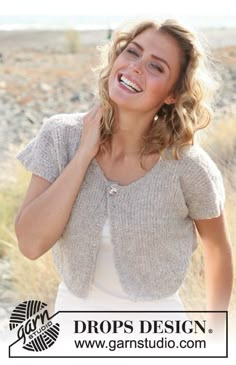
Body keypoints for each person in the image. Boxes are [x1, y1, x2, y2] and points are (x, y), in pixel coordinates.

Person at [14, 19, 233, 333]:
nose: (136, 67)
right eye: (132, 52)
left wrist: (216, 337)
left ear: (172, 94)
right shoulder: (60, 136)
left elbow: (217, 252)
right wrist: (82, 156)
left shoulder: (188, 167)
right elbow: (30, 245)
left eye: (156, 67)